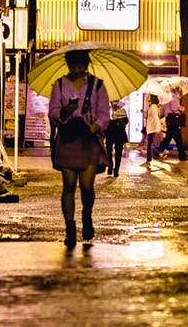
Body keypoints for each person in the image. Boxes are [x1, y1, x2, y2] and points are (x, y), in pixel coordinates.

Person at [46, 49, 111, 247]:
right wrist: (64, 111)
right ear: (68, 65)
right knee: (68, 184)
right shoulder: (59, 85)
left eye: (80, 66)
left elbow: (104, 113)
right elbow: (53, 112)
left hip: (88, 139)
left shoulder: (97, 85)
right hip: (67, 138)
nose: (76, 70)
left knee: (87, 186)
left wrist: (96, 125)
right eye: (72, 66)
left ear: (86, 65)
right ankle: (70, 228)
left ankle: (87, 215)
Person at [157, 96, 188, 161]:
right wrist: (181, 109)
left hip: (169, 120)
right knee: (178, 139)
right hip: (174, 120)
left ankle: (159, 151)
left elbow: (162, 112)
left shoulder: (165, 98)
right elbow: (174, 108)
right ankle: (182, 155)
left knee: (169, 137)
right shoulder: (174, 97)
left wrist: (160, 115)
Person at [105, 101, 130, 177]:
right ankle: (110, 165)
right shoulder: (107, 109)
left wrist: (120, 121)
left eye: (116, 101)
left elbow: (126, 121)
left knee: (118, 152)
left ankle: (116, 170)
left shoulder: (122, 109)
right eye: (113, 101)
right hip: (109, 132)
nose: (114, 103)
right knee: (108, 150)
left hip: (119, 133)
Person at [142, 94, 164, 166]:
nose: (147, 97)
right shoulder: (151, 106)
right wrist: (144, 113)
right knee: (149, 144)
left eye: (149, 96)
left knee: (149, 144)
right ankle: (158, 155)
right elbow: (148, 117)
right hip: (150, 128)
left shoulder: (153, 106)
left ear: (152, 98)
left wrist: (158, 128)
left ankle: (149, 160)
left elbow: (156, 118)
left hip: (152, 128)